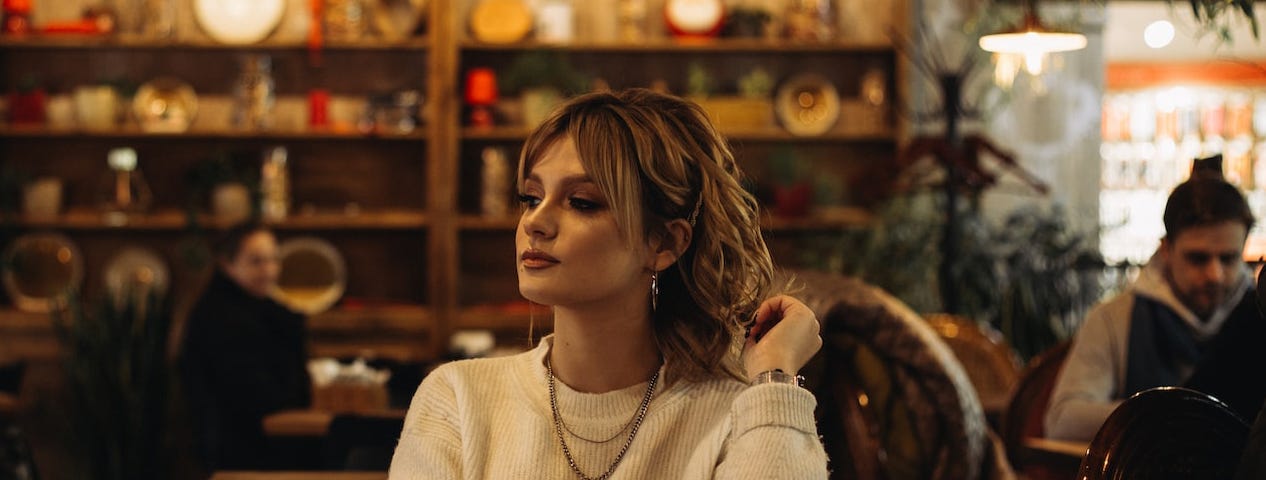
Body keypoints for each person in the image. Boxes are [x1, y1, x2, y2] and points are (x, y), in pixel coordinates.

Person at [389, 89, 827, 479]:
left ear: (665, 242)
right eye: (531, 197)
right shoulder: (459, 401)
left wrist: (774, 378)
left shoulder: (740, 417)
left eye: (581, 202)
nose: (534, 222)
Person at [1045, 160, 1257, 441]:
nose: (1215, 275)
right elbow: (1063, 420)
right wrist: (1179, 416)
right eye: (1198, 258)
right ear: (1166, 250)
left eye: (1228, 259)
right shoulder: (1114, 318)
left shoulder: (1257, 315)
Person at [180, 221, 311, 471]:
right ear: (227, 264)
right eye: (256, 261)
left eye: (274, 260)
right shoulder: (221, 317)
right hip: (239, 452)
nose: (270, 270)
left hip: (256, 441)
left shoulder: (259, 309)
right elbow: (260, 397)